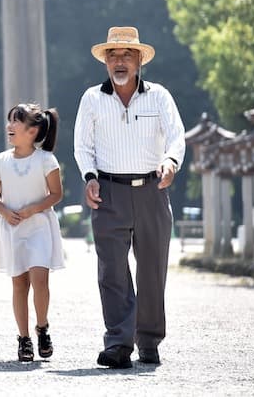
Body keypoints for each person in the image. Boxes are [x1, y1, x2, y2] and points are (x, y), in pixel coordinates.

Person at [73, 26, 185, 369]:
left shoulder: (159, 96)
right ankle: (118, 344)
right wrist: (89, 177)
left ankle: (149, 341)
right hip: (108, 192)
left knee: (152, 269)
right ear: (105, 62)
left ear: (139, 60)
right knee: (112, 271)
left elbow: (176, 136)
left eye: (126, 55)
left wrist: (170, 161)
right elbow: (82, 145)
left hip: (153, 190)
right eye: (113, 56)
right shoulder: (92, 98)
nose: (119, 62)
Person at [0, 103, 64, 362]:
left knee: (40, 279)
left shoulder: (45, 160)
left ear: (33, 130)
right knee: (19, 284)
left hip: (39, 225)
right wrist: (4, 211)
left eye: (15, 122)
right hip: (11, 228)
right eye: (9, 121)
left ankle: (42, 328)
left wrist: (33, 209)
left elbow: (56, 194)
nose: (9, 126)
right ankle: (24, 338)